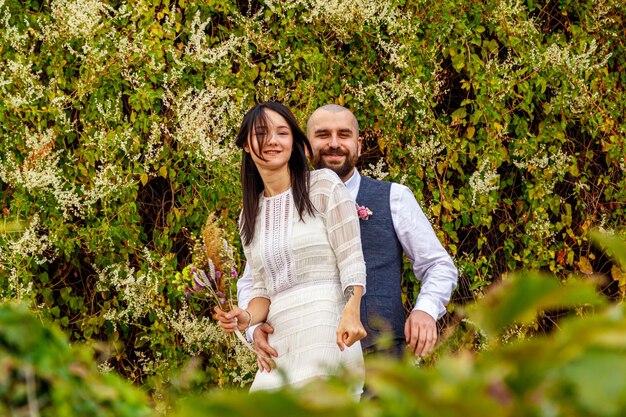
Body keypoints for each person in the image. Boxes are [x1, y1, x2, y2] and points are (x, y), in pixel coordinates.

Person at [238, 104, 458, 370]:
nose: (333, 143)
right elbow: (255, 279)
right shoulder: (274, 207)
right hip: (308, 355)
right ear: (305, 146)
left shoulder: (394, 197)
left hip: (382, 356)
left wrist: (425, 310)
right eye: (322, 135)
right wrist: (255, 327)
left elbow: (438, 265)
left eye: (343, 135)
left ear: (359, 144)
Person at [215, 102, 368, 397]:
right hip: (280, 344)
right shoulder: (250, 215)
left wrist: (352, 311)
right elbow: (262, 290)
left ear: (294, 142)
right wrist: (244, 318)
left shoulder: (323, 185)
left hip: (327, 329)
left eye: (282, 133)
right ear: (246, 144)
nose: (273, 140)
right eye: (262, 133)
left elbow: (351, 257)